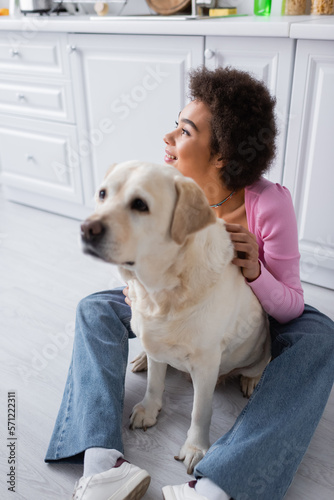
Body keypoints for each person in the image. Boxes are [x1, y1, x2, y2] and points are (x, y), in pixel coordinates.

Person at [45, 67, 334, 500]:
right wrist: (134, 289)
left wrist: (255, 269)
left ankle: (222, 482)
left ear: (221, 154)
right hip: (168, 301)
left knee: (319, 334)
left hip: (253, 305)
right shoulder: (162, 185)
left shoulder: (269, 204)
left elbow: (290, 305)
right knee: (94, 307)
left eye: (183, 130)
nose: (167, 138)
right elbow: (131, 246)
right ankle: (101, 460)